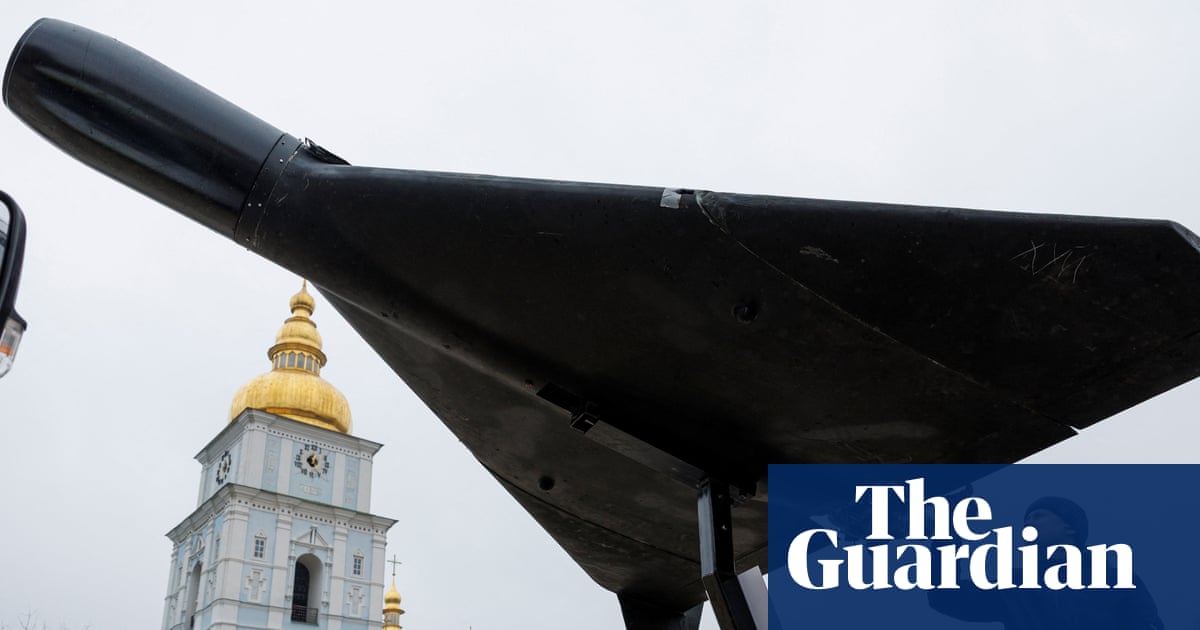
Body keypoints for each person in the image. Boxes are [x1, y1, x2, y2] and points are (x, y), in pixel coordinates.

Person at [928, 497, 1164, 630]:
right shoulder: (1014, 584)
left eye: (1038, 516)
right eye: (1026, 519)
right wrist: (945, 532)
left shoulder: (1115, 579)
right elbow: (945, 596)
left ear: (1070, 528)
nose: (1028, 523)